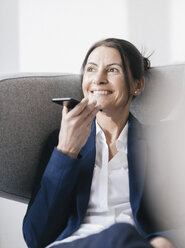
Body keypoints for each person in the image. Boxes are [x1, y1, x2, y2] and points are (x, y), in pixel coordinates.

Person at [23, 38, 176, 248]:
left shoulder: (163, 142)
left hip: (135, 244)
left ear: (137, 85)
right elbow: (35, 237)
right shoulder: (59, 141)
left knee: (127, 236)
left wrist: (165, 241)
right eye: (91, 69)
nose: (99, 79)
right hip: (76, 244)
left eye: (112, 70)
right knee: (121, 233)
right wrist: (66, 152)